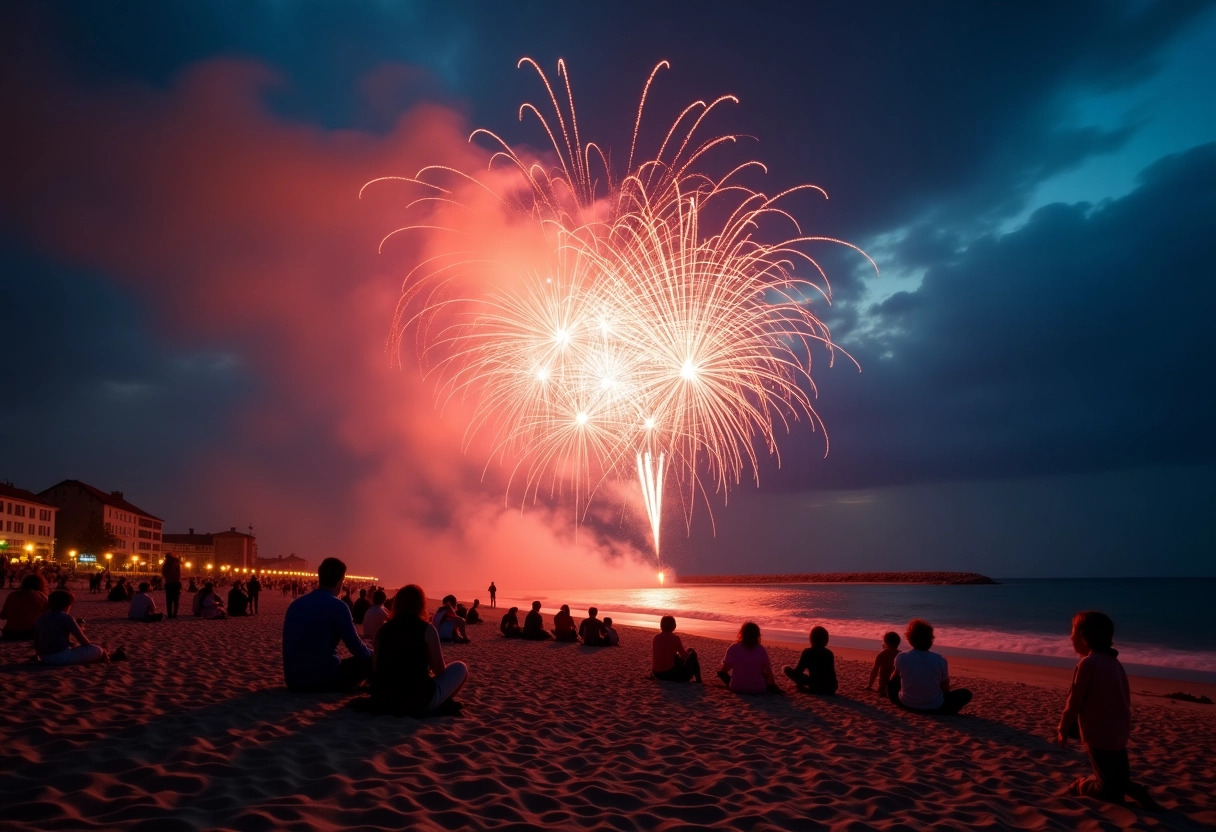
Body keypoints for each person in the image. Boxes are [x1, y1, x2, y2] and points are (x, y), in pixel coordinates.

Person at [1057, 611, 1160, 809]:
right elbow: (1125, 699)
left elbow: (1074, 701)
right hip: (1118, 731)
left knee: (1110, 787)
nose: (1070, 637)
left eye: (1073, 633)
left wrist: (1063, 728)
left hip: (1098, 734)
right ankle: (1136, 792)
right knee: (1116, 775)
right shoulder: (1114, 663)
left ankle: (1081, 785)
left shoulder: (1087, 664)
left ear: (1083, 638)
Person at [370, 584, 468, 717]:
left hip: (385, 699)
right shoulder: (427, 629)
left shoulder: (382, 631)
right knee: (460, 668)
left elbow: (376, 669)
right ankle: (440, 703)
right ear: (421, 605)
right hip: (417, 700)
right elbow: (440, 670)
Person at [282, 557, 373, 692]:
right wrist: (374, 655)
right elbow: (356, 647)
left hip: (293, 680)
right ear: (339, 582)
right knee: (371, 661)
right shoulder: (338, 606)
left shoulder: (296, 604)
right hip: (323, 680)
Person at [887, 618, 972, 714]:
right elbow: (945, 689)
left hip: (906, 703)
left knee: (892, 681)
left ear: (910, 639)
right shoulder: (940, 660)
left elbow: (893, 680)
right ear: (930, 640)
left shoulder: (901, 656)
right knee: (966, 694)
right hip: (933, 706)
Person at [35, 590, 124, 665]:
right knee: (97, 650)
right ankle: (110, 656)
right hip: (60, 657)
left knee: (79, 647)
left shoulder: (41, 618)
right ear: (67, 605)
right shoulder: (66, 618)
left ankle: (107, 654)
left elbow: (38, 642)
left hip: (45, 657)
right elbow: (85, 643)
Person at [718, 621, 778, 694]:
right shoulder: (761, 649)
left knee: (721, 673)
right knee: (763, 673)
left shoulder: (734, 648)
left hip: (737, 688)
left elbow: (725, 669)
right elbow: (768, 670)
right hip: (758, 688)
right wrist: (773, 684)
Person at [783, 625, 838, 694]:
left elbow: (798, 671)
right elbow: (831, 673)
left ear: (811, 638)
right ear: (826, 640)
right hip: (831, 688)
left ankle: (804, 687)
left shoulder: (808, 652)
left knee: (786, 669)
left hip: (816, 687)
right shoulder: (829, 653)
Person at [651, 615, 701, 682]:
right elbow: (684, 656)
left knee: (677, 657)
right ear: (673, 625)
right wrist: (689, 653)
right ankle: (698, 680)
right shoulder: (675, 638)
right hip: (670, 674)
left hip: (656, 673)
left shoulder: (656, 637)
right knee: (692, 653)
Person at [1, 574, 49, 640]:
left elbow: (3, 615)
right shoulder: (40, 596)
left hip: (9, 632)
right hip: (28, 632)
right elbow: (49, 615)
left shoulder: (12, 595)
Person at [162, 552, 183, 619]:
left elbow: (164, 573)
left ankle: (169, 614)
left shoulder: (166, 565)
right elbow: (179, 574)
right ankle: (174, 614)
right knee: (176, 600)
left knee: (169, 600)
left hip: (169, 584)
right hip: (176, 583)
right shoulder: (177, 564)